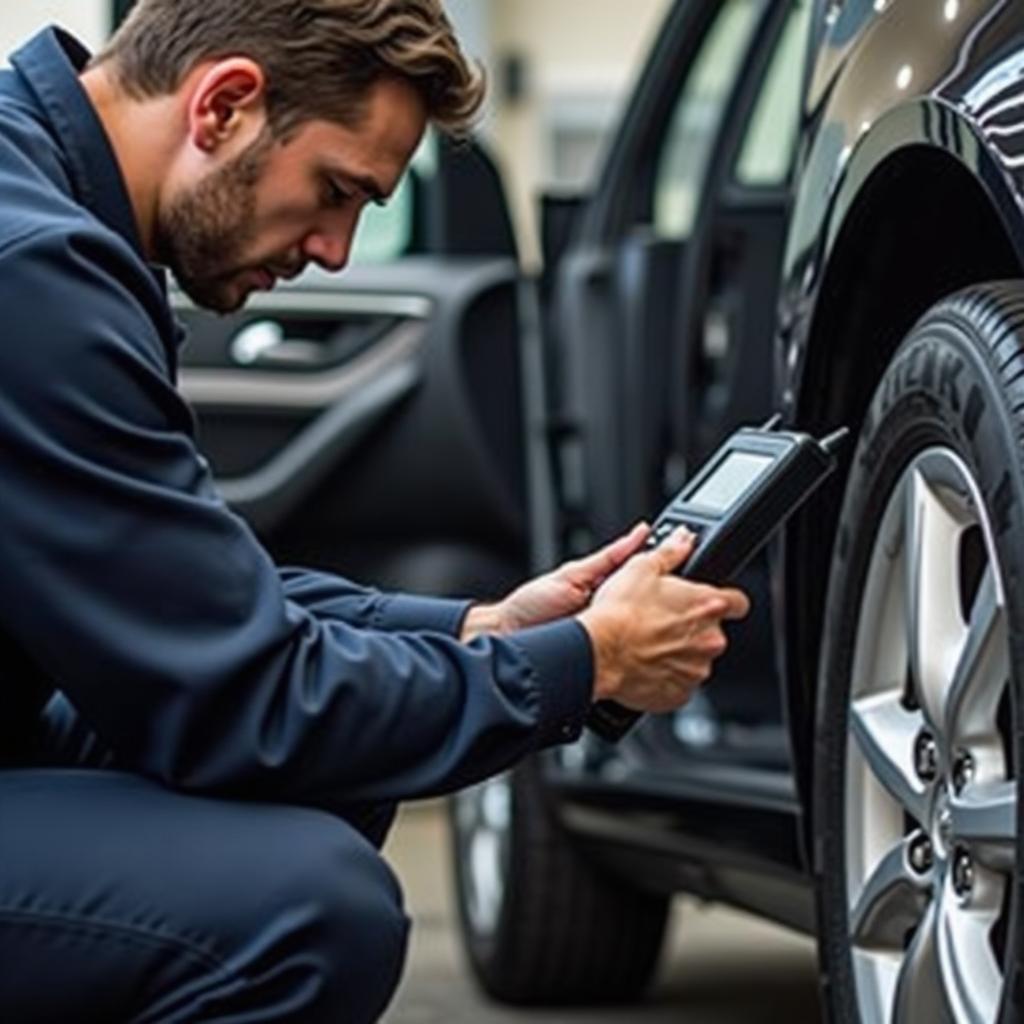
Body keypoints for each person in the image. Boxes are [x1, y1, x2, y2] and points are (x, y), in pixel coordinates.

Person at [0, 2, 750, 1021]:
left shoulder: (43, 206)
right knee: (303, 912)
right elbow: (245, 698)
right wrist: (587, 664)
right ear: (223, 104)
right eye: (336, 191)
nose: (338, 250)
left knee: (333, 778)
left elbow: (191, 595)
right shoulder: (36, 273)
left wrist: (482, 629)